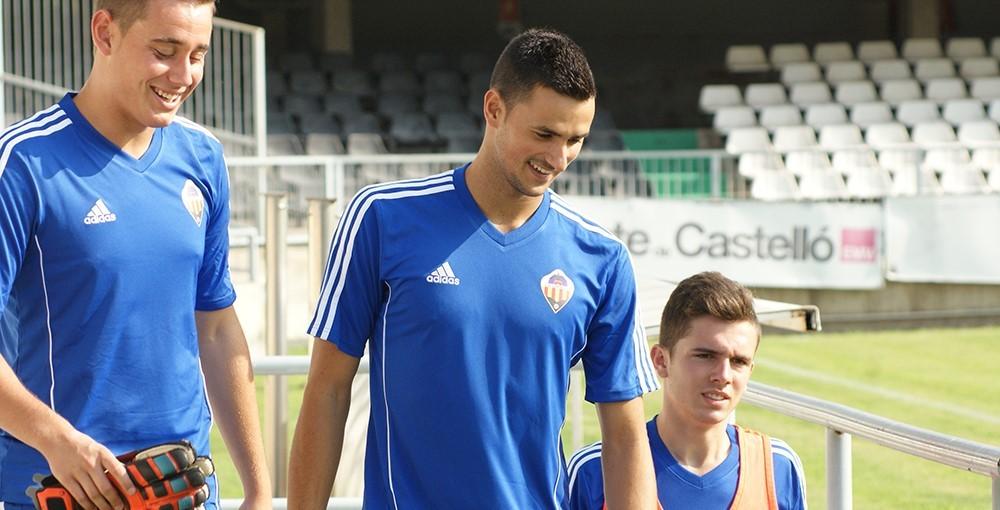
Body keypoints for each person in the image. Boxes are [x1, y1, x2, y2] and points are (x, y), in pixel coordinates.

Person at [288, 28, 660, 508]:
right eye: (544, 134)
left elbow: (625, 433)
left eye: (575, 140)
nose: (558, 158)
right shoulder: (382, 218)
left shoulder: (602, 258)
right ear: (494, 109)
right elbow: (328, 391)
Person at [0, 1, 271, 509]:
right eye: (164, 51)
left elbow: (215, 325)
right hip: (55, 494)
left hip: (186, 490)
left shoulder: (203, 157)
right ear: (105, 33)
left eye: (197, 55)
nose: (183, 76)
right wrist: (56, 439)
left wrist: (258, 489)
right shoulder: (22, 164)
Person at [567, 272, 807, 510]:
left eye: (738, 362)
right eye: (705, 356)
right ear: (661, 360)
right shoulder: (593, 470)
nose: (723, 375)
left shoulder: (778, 467)